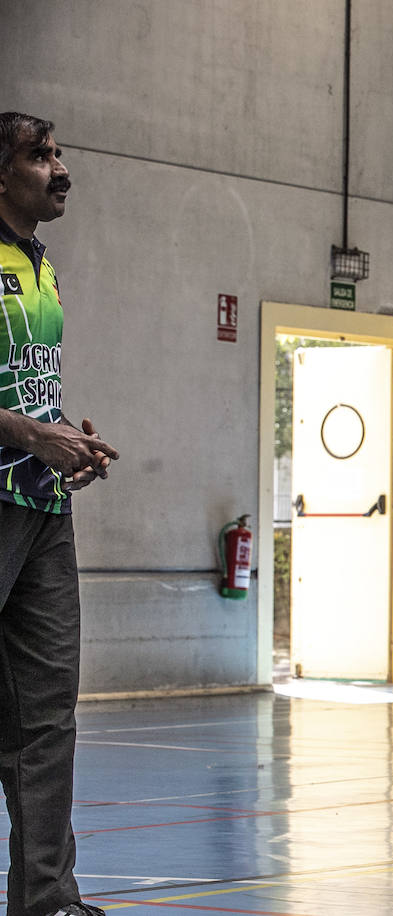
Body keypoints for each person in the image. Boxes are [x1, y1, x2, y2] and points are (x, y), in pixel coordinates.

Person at [0, 112, 118, 916]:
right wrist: (29, 434)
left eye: (59, 153)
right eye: (40, 157)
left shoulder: (40, 269)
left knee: (46, 719)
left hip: (40, 510)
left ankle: (46, 901)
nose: (61, 168)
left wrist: (65, 437)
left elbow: (24, 389)